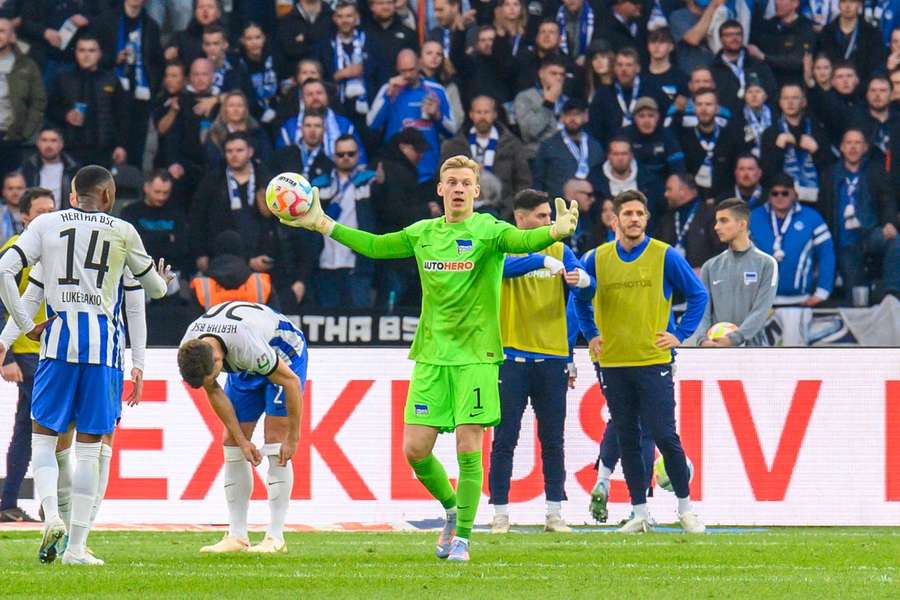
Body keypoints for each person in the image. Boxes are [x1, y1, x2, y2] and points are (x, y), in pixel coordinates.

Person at [277, 154, 579, 562]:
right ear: (440, 189)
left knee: (468, 445)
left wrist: (552, 233)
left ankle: (464, 539)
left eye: (464, 183)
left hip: (477, 356)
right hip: (432, 356)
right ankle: (453, 511)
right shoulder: (423, 233)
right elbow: (376, 246)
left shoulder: (489, 231)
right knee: (415, 449)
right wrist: (322, 223)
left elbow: (522, 242)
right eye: (450, 181)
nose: (457, 188)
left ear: (475, 190)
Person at [0, 165, 169, 565]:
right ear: (108, 196)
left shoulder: (48, 228)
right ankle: (76, 546)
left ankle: (52, 517)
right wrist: (163, 280)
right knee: (92, 449)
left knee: (43, 440)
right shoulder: (124, 233)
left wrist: (22, 331)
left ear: (72, 195)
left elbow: (11, 275)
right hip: (105, 353)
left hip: (58, 345)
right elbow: (152, 294)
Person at [573, 189, 708, 534]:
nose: (634, 219)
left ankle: (685, 508)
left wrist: (681, 334)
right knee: (629, 438)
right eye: (628, 213)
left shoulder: (665, 255)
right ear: (614, 220)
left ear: (646, 219)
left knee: (664, 435)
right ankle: (639, 512)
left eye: (640, 213)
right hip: (614, 362)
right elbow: (579, 300)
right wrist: (590, 334)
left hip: (653, 360)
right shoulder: (596, 258)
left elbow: (698, 295)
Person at [489, 189, 589, 534]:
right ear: (521, 218)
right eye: (543, 217)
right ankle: (500, 514)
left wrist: (581, 279)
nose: (550, 222)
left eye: (550, 216)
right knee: (505, 437)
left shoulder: (561, 249)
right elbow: (502, 270)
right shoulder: (502, 244)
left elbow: (585, 286)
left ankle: (554, 514)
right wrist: (542, 262)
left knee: (553, 439)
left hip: (551, 358)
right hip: (510, 356)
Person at [178, 301, 306, 554]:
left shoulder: (246, 346)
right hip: (245, 357)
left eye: (214, 375)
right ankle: (236, 536)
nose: (212, 382)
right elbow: (212, 389)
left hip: (282, 351)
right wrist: (242, 440)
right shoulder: (192, 348)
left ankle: (276, 537)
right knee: (231, 442)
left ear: (217, 360)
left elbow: (290, 383)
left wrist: (294, 437)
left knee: (276, 439)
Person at [0, 188, 55, 523]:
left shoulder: (54, 253)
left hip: (46, 351)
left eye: (52, 210)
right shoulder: (13, 253)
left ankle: (7, 502)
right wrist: (5, 355)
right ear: (24, 217)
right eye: (40, 211)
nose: (47, 216)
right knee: (50, 425)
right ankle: (52, 506)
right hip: (24, 351)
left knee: (26, 428)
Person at [817, 129, 900, 301]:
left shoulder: (875, 171)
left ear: (865, 148)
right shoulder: (830, 175)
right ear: (841, 147)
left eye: (858, 143)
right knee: (856, 296)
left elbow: (888, 199)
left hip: (870, 234)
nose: (853, 147)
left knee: (895, 240)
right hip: (844, 243)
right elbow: (823, 208)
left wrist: (890, 223)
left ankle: (893, 293)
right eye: (848, 143)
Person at [192, 132, 276, 276]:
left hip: (259, 257)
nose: (234, 155)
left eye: (239, 150)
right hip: (220, 258)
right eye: (229, 151)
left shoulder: (266, 179)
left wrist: (269, 254)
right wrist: (200, 253)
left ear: (250, 152)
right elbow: (198, 218)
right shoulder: (213, 180)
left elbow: (275, 221)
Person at [696, 198, 778, 347]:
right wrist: (702, 340)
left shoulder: (767, 264)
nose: (716, 227)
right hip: (716, 350)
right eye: (716, 221)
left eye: (723, 221)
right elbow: (703, 311)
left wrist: (734, 338)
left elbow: (761, 311)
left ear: (742, 224)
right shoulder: (709, 267)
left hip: (755, 351)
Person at [368, 48, 457, 182]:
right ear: (397, 69)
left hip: (428, 168)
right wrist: (388, 96)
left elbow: (453, 130)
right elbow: (371, 124)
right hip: (396, 169)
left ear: (419, 65)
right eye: (403, 71)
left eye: (411, 70)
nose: (408, 75)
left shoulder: (437, 90)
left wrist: (437, 115)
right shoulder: (388, 89)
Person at [94, 0, 164, 168]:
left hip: (140, 95)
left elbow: (157, 62)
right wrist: (113, 59)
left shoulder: (150, 25)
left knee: (136, 149)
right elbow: (92, 54)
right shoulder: (106, 20)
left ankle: (134, 187)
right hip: (111, 92)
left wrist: (152, 86)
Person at [310, 135, 377, 308]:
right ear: (334, 156)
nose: (346, 157)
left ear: (358, 154)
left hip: (356, 263)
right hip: (325, 261)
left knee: (359, 320)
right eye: (341, 154)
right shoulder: (320, 184)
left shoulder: (370, 181)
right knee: (327, 322)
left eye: (350, 153)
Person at [749, 173, 836, 306]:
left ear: (794, 194)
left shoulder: (812, 218)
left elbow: (827, 255)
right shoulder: (753, 218)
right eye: (775, 193)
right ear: (769, 196)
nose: (779, 197)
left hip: (801, 301)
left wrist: (822, 292)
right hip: (760, 302)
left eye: (785, 193)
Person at [439, 95, 531, 218]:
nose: (482, 117)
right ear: (471, 114)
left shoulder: (512, 144)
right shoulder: (455, 145)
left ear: (494, 114)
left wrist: (513, 209)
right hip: (463, 212)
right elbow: (443, 177)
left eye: (486, 112)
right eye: (478, 112)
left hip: (502, 212)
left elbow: (523, 180)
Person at [46, 34, 129, 168]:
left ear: (100, 53)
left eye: (91, 50)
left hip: (103, 150)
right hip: (70, 149)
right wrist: (66, 115)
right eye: (82, 50)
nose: (86, 55)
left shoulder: (111, 80)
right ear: (75, 52)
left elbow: (122, 116)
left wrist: (121, 145)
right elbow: (49, 108)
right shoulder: (62, 78)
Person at [759, 83, 831, 199]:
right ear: (780, 102)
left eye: (795, 98)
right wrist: (778, 149)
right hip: (780, 199)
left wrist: (816, 151)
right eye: (786, 98)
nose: (790, 102)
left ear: (804, 102)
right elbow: (765, 174)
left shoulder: (817, 130)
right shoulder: (771, 133)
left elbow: (828, 169)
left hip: (814, 199)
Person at [318, 0, 387, 119]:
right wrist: (339, 75)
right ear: (334, 19)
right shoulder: (324, 46)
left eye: (349, 16)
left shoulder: (371, 43)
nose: (344, 21)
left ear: (357, 17)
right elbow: (319, 79)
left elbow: (382, 75)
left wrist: (364, 70)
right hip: (337, 109)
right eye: (340, 16)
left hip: (367, 109)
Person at [673, 88, 746, 199]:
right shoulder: (685, 138)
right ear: (693, 108)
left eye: (708, 104)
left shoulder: (731, 138)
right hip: (694, 201)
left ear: (717, 108)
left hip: (726, 200)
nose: (703, 109)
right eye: (699, 104)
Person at [276, 78, 367, 166]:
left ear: (326, 96)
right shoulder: (289, 127)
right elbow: (280, 160)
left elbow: (360, 158)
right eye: (310, 94)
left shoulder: (344, 124)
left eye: (319, 93)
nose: (315, 97)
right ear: (302, 100)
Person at [121, 170, 191, 281]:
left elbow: (182, 246)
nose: (161, 197)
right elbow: (134, 244)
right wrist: (167, 237)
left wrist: (149, 237)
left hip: (171, 271)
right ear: (146, 188)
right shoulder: (130, 212)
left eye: (165, 193)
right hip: (139, 272)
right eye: (157, 192)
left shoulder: (177, 212)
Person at [0, 17, 46, 179]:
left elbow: (38, 101)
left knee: (11, 187)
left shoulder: (27, 65)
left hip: (11, 138)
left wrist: (26, 132)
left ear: (12, 36)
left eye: (2, 31)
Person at [533, 98, 604, 202]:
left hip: (590, 208)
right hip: (557, 209)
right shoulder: (548, 145)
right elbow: (538, 180)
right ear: (562, 117)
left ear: (585, 116)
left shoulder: (595, 146)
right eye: (568, 114)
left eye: (577, 114)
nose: (572, 118)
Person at [657, 173, 723, 272]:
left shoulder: (710, 214)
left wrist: (705, 270)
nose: (665, 194)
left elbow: (723, 250)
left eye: (669, 189)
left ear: (682, 191)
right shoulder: (667, 219)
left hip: (702, 282)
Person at [710, 20, 776, 115]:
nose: (734, 38)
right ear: (721, 39)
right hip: (727, 121)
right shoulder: (713, 69)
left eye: (738, 34)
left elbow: (771, 92)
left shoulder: (758, 65)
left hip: (756, 120)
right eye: (729, 35)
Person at [622, 96, 686, 189]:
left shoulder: (667, 135)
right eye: (641, 116)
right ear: (634, 118)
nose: (646, 121)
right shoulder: (625, 136)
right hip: (632, 186)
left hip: (663, 188)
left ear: (658, 117)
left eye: (651, 115)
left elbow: (678, 168)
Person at [748, 0, 816, 87]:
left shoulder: (806, 28)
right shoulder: (767, 26)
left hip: (794, 86)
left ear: (795, 3)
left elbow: (797, 61)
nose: (777, 2)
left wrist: (764, 57)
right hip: (770, 85)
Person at [514, 55, 568, 160]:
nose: (559, 78)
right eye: (553, 73)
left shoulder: (567, 101)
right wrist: (548, 104)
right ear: (541, 74)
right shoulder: (525, 97)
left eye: (562, 74)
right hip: (536, 154)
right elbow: (529, 133)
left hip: (565, 154)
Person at [816, 0, 884, 82]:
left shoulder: (872, 33)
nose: (847, 6)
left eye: (852, 2)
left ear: (859, 5)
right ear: (839, 4)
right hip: (832, 85)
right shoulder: (826, 32)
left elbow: (875, 64)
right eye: (844, 2)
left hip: (861, 86)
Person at [589, 47, 643, 148]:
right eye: (620, 65)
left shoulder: (649, 90)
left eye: (629, 65)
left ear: (638, 68)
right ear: (614, 68)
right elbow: (595, 130)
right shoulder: (603, 94)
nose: (624, 69)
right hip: (611, 153)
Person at [204, 91, 273, 169]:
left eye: (239, 105)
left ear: (245, 109)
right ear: (225, 109)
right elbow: (213, 163)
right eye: (231, 105)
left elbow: (267, 159)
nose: (235, 109)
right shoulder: (215, 134)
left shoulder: (258, 132)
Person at [19, 126, 79, 209]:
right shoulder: (28, 168)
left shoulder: (73, 169)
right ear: (37, 143)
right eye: (44, 140)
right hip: (35, 218)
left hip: (65, 219)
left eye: (53, 140)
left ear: (61, 144)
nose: (48, 145)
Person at [271, 110, 334, 181]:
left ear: (324, 130)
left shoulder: (328, 164)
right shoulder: (283, 156)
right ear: (301, 129)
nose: (312, 130)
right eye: (308, 125)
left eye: (317, 126)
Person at [278, 0, 334, 75]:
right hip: (296, 77)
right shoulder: (287, 20)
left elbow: (332, 48)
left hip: (329, 76)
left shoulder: (332, 16)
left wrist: (304, 38)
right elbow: (290, 50)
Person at [642, 28, 688, 117]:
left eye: (662, 42)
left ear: (671, 47)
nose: (656, 46)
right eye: (653, 42)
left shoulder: (681, 78)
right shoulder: (640, 76)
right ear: (647, 46)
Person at [163, 0, 221, 68]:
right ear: (194, 12)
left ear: (218, 12)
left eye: (210, 7)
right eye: (200, 7)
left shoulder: (227, 37)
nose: (205, 10)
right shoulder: (180, 39)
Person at [0, 171, 26, 244]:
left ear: (26, 190)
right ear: (3, 192)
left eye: (19, 188)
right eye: (10, 188)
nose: (15, 192)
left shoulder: (35, 213)